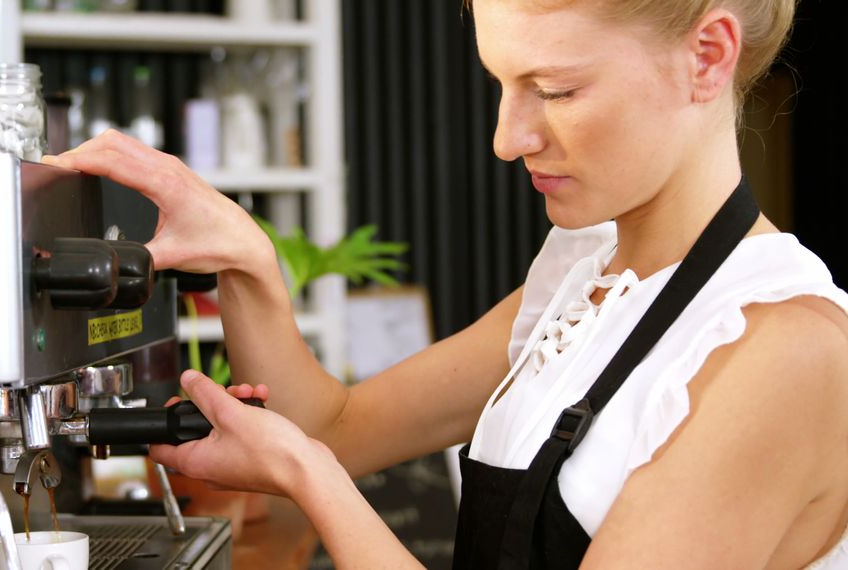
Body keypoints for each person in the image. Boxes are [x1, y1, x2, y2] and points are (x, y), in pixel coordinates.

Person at [43, 0, 848, 567]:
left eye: (556, 90)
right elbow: (337, 424)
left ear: (706, 55)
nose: (507, 138)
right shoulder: (585, 276)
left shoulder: (784, 351)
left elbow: (319, 456)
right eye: (501, 84)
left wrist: (306, 479)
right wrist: (248, 261)